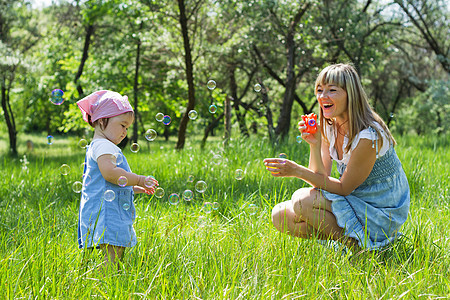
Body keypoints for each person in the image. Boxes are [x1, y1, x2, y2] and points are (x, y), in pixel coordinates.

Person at [264, 63, 410, 251]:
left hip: (379, 211)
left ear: (351, 94)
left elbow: (343, 188)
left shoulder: (368, 135)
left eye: (332, 90)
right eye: (319, 90)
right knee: (280, 215)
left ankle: (360, 247)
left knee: (301, 200)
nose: (322, 96)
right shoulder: (330, 126)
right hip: (356, 202)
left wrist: (296, 171)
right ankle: (348, 242)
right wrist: (315, 145)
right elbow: (319, 179)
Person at [76, 90, 158, 269]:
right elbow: (110, 174)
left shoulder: (98, 145)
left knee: (115, 251)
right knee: (113, 254)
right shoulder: (104, 145)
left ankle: (107, 279)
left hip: (104, 208)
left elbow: (108, 183)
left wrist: (133, 188)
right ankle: (108, 282)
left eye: (127, 127)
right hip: (107, 212)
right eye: (122, 125)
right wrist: (138, 179)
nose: (125, 132)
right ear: (102, 120)